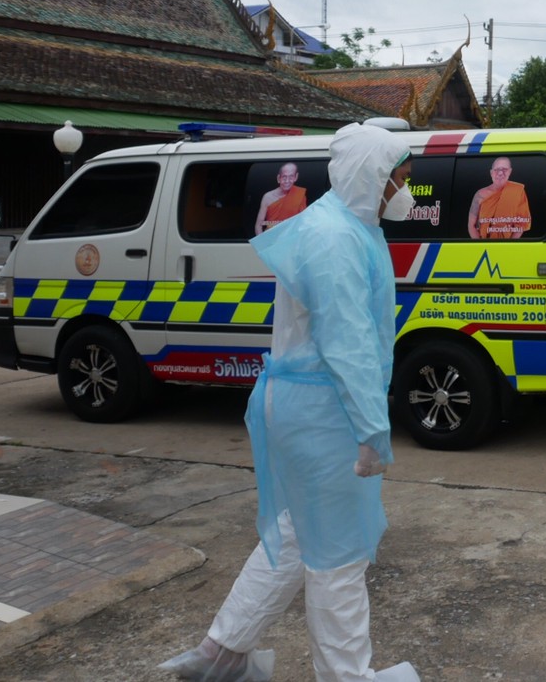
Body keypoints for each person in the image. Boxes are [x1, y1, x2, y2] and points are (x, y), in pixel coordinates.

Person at [161, 123, 419, 682]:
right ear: (372, 176)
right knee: (340, 555)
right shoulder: (335, 238)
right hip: (326, 409)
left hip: (309, 404)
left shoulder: (344, 226)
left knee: (300, 531)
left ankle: (221, 654)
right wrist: (372, 429)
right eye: (400, 177)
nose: (407, 189)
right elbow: (347, 340)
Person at [467, 156, 530, 239]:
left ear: (510, 171)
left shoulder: (517, 190)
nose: (500, 173)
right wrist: (480, 244)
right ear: (491, 173)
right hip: (483, 242)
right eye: (496, 170)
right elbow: (471, 225)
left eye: (505, 169)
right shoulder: (480, 194)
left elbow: (520, 225)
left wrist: (509, 244)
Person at [255, 162, 307, 236]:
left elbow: (303, 223)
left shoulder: (300, 195)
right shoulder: (268, 197)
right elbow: (258, 225)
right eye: (284, 177)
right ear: (278, 178)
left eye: (291, 177)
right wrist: (262, 242)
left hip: (291, 238)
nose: (287, 181)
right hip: (271, 237)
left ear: (296, 177)